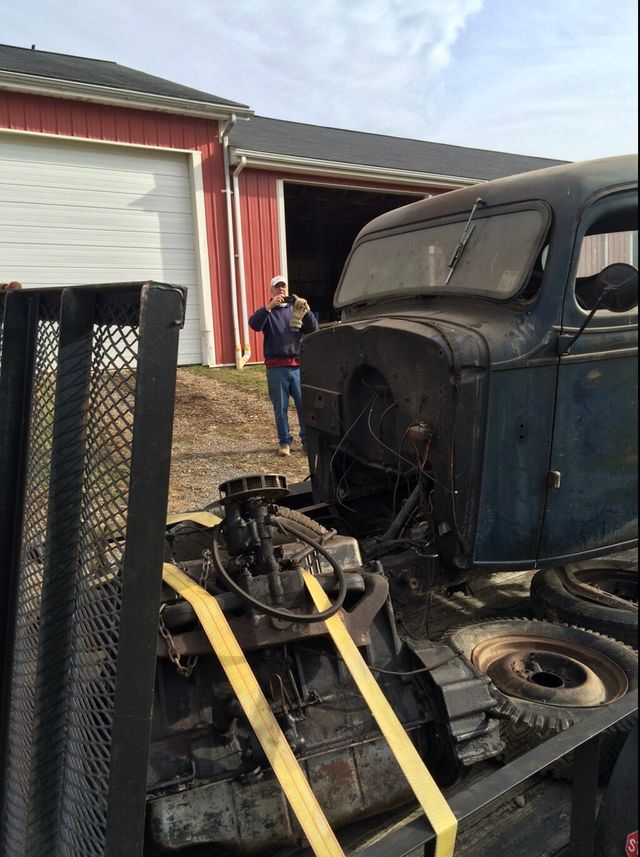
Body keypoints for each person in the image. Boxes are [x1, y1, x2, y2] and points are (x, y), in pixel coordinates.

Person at [249, 274, 318, 456]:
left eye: (283, 286)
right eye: (277, 287)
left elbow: (313, 329)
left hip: (297, 367)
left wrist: (307, 310)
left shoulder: (296, 310)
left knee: (304, 406)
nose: (281, 289)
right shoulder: (268, 313)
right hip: (276, 368)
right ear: (271, 291)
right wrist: (268, 307)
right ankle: (284, 443)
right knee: (280, 408)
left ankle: (307, 442)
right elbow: (254, 325)